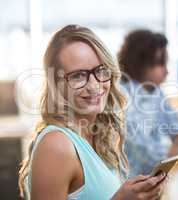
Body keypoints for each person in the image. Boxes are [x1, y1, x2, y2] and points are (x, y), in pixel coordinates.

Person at [18, 25, 167, 200]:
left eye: (100, 70)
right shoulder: (56, 145)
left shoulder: (98, 135)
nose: (94, 85)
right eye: (78, 76)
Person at [118, 29, 178, 177]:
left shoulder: (153, 90)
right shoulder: (121, 97)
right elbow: (152, 155)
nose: (167, 71)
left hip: (154, 180)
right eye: (160, 63)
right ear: (139, 63)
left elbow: (177, 128)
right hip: (129, 187)